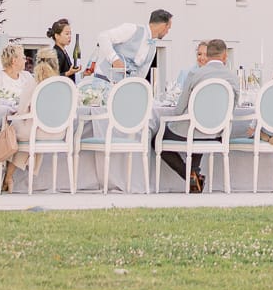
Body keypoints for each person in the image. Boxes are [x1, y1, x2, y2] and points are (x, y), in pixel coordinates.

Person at [159, 36, 237, 194]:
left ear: (207, 55)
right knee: (199, 130)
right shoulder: (233, 78)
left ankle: (192, 178)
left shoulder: (195, 75)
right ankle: (194, 182)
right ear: (224, 56)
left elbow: (178, 110)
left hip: (194, 129)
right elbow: (232, 108)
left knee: (158, 140)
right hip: (216, 133)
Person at [1, 53, 59, 193]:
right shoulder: (62, 85)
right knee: (29, 134)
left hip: (35, 132)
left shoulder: (33, 83)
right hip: (58, 133)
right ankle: (16, 178)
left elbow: (21, 110)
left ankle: (5, 175)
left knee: (11, 129)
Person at [90, 10, 173, 85]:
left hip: (123, 87)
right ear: (163, 25)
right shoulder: (132, 29)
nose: (167, 32)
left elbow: (141, 73)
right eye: (168, 28)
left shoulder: (153, 48)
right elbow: (103, 37)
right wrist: (114, 59)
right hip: (104, 80)